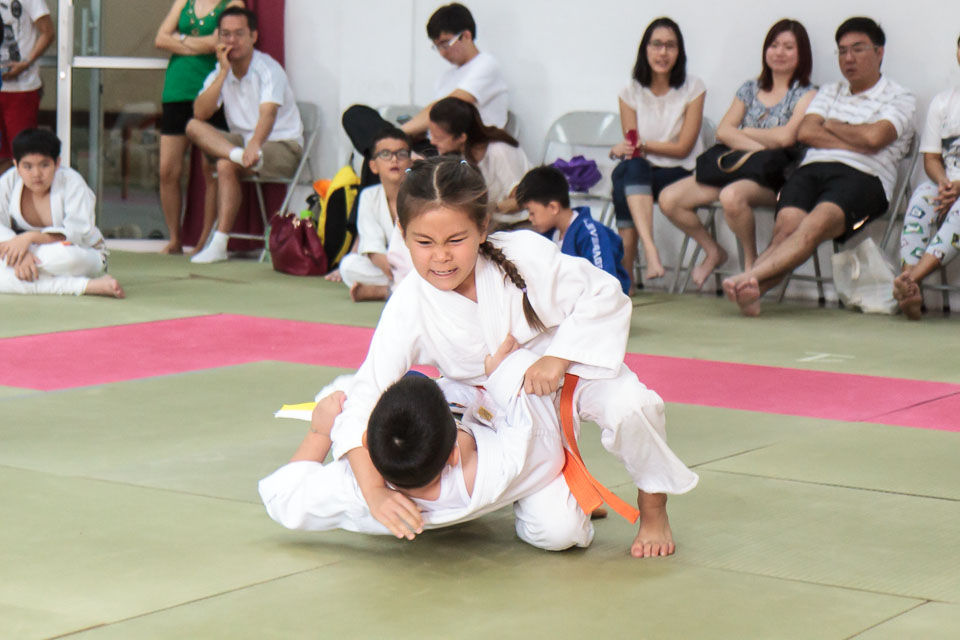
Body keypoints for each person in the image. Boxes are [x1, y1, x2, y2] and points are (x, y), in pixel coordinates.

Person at [327, 156, 698, 558]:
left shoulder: (523, 253)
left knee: (632, 405)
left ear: (482, 227)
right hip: (496, 413)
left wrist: (557, 358)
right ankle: (555, 483)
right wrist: (374, 491)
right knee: (560, 534)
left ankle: (653, 508)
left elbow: (603, 294)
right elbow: (366, 396)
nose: (441, 257)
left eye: (455, 240)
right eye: (424, 242)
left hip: (568, 374)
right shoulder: (409, 304)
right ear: (401, 233)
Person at [260, 343, 595, 551]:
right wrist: (502, 373)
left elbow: (280, 497)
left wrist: (320, 432)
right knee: (560, 531)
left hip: (437, 426)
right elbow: (542, 436)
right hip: (481, 440)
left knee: (338, 397)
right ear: (453, 455)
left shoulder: (353, 490)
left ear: (364, 444)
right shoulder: (508, 463)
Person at [722, 17, 915, 316]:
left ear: (879, 52)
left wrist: (834, 125)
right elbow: (806, 132)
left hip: (865, 177)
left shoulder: (900, 97)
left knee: (813, 226)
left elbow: (875, 138)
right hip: (812, 170)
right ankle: (752, 288)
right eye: (842, 51)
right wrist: (857, 136)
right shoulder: (830, 91)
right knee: (785, 228)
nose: (848, 58)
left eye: (858, 49)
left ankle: (749, 278)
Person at [659, 19, 816, 284]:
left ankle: (750, 265)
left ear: (802, 54)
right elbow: (723, 131)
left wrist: (746, 132)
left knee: (731, 196)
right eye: (774, 45)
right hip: (738, 167)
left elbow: (787, 137)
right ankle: (713, 251)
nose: (779, 52)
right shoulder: (750, 88)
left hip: (777, 177)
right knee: (669, 199)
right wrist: (762, 147)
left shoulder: (807, 93)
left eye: (788, 47)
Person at [185, 6, 304, 264]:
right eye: (226, 35)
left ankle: (219, 243)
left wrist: (255, 145)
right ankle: (219, 244)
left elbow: (268, 114)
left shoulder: (268, 69)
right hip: (242, 145)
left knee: (225, 164)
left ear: (253, 36)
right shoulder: (220, 71)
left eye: (239, 34)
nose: (232, 41)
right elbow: (201, 112)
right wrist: (223, 73)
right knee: (193, 127)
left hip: (281, 145)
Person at [609, 17, 705, 291]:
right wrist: (621, 149)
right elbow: (633, 146)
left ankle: (627, 274)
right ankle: (649, 253)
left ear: (679, 51)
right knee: (630, 169)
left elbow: (683, 148)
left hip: (680, 172)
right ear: (645, 49)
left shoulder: (693, 88)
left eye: (670, 46)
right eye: (657, 44)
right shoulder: (630, 92)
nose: (663, 52)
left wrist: (640, 146)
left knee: (624, 176)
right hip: (642, 172)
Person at [155, 0, 245, 255]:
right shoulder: (184, 1)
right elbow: (160, 39)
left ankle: (204, 240)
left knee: (211, 170)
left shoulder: (232, 2)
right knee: (167, 170)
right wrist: (200, 44)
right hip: (177, 89)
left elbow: (220, 43)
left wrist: (180, 40)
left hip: (211, 92)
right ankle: (175, 238)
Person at [0, 129, 124, 298]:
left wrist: (28, 239)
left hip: (78, 252)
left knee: (65, 258)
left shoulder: (73, 183)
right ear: (16, 165)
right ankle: (87, 286)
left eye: (44, 165)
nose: (36, 174)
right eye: (27, 166)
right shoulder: (9, 181)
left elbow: (77, 232)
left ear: (57, 163)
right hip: (26, 251)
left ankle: (25, 274)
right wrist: (21, 254)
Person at [893, 35, 960, 320]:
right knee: (921, 197)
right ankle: (911, 289)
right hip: (947, 183)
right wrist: (944, 183)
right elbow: (931, 158)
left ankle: (910, 281)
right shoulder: (944, 103)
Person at [516, 165, 630, 294]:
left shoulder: (591, 233)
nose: (530, 218)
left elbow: (605, 282)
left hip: (599, 301)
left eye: (532, 212)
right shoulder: (549, 236)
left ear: (553, 207)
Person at [400, 3, 508, 139]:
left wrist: (399, 133)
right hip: (442, 144)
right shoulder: (446, 77)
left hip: (476, 145)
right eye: (437, 47)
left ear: (466, 36)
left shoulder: (486, 65)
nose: (442, 53)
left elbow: (447, 109)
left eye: (445, 44)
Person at [332, 128, 415, 302]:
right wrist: (396, 274)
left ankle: (386, 292)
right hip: (392, 268)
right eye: (385, 154)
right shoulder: (369, 196)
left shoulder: (420, 195)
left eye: (401, 154)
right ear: (373, 166)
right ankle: (402, 289)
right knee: (348, 266)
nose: (394, 159)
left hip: (417, 264)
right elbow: (373, 249)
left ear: (410, 163)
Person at [428, 97, 529, 217]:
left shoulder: (499, 151)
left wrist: (487, 210)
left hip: (513, 222)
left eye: (438, 138)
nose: (432, 141)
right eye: (431, 134)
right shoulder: (457, 154)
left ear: (461, 138)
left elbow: (520, 200)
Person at [0, 0, 54, 174]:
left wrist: (26, 63)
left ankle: (20, 191)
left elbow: (47, 32)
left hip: (21, 89)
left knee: (23, 156)